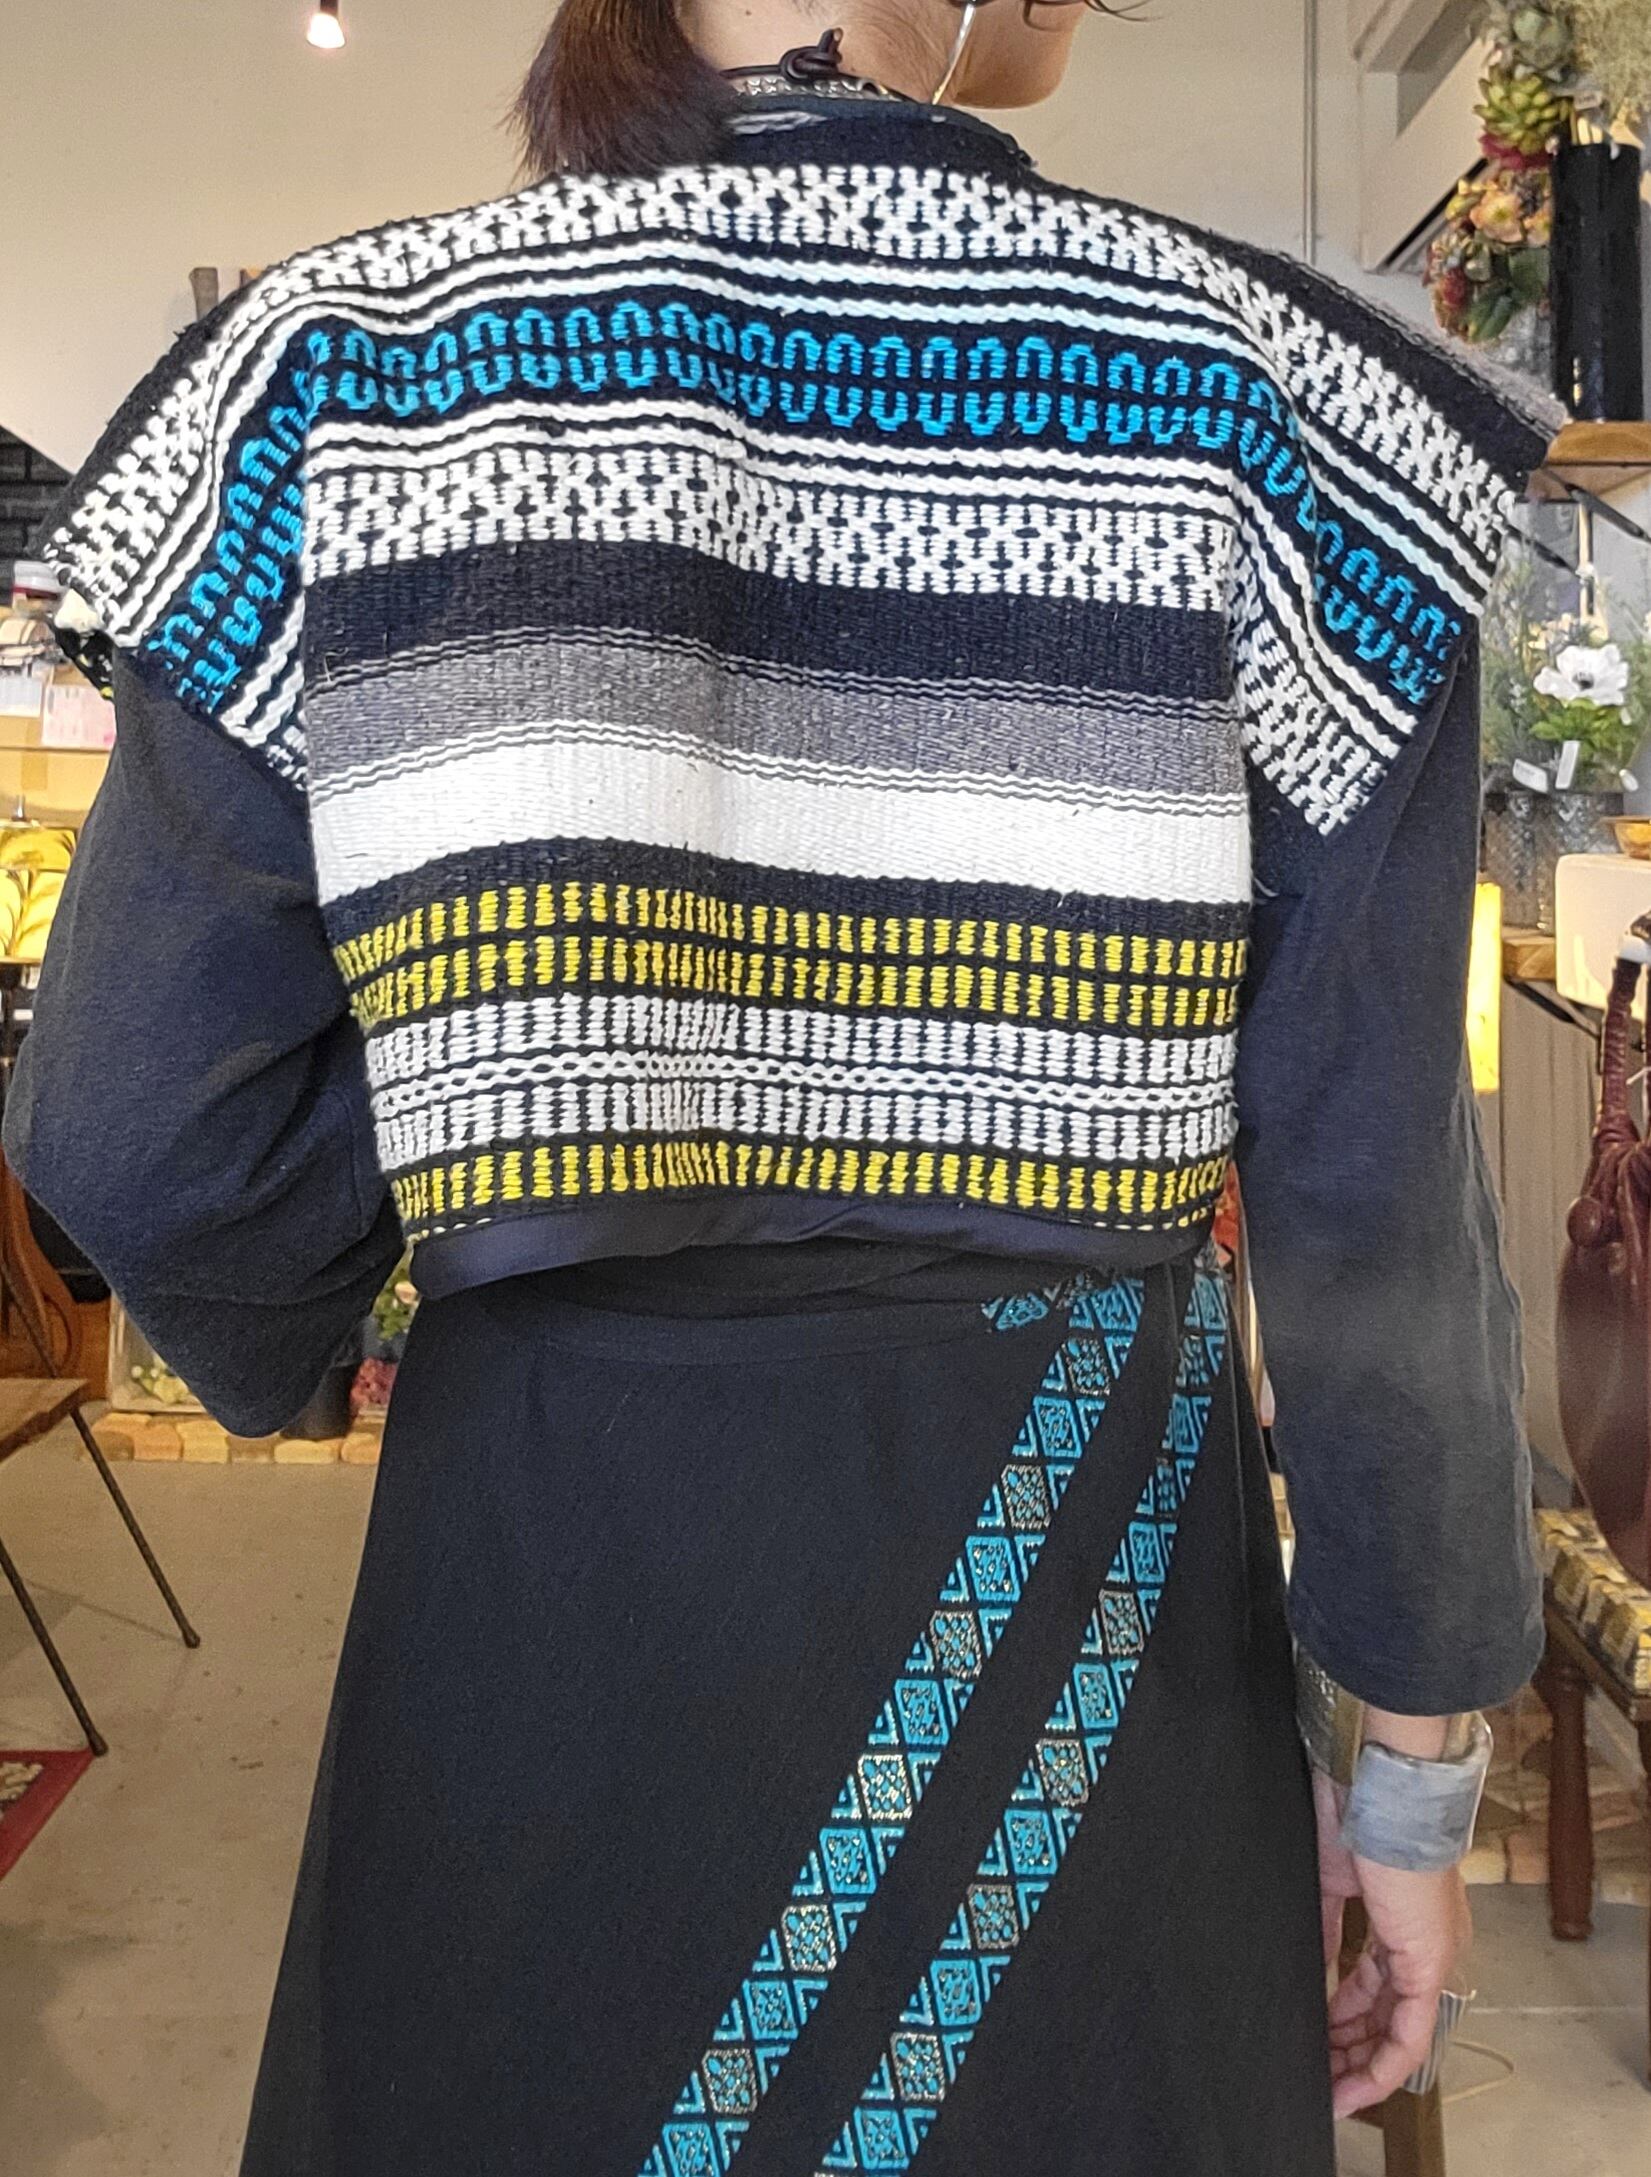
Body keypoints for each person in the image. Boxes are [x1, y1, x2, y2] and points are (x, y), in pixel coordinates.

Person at [8, 2, 1554, 2170]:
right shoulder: (1287, 408)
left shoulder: (345, 382)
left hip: (544, 1545)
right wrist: (1408, 1767)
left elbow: (128, 1136)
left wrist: (401, 1238)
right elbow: (1375, 1207)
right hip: (1071, 1571)